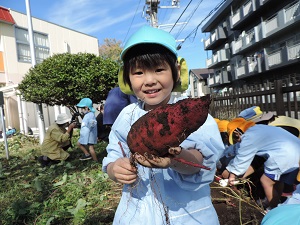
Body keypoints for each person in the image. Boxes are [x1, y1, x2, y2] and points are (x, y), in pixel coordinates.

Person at [102, 25, 225, 225]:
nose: (150, 80)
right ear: (126, 78)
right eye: (139, 73)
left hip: (188, 215)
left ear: (177, 72)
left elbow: (202, 161)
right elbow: (114, 154)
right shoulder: (126, 117)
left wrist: (176, 160)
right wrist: (115, 169)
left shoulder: (192, 113)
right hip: (136, 214)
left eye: (159, 70)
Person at [225, 118, 300, 209]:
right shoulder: (258, 128)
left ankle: (272, 209)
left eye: (235, 138)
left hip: (284, 155)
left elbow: (242, 158)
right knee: (278, 181)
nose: (237, 141)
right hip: (295, 150)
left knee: (265, 181)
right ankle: (275, 203)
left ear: (237, 133)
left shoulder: (249, 136)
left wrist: (232, 176)